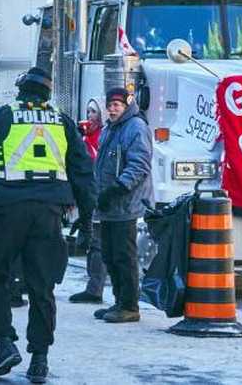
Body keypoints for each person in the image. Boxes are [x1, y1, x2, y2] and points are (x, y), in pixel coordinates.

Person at [0, 67, 95, 383]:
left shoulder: (0, 117)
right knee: (42, 286)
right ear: (48, 92)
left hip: (5, 211)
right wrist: (87, 219)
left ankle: (5, 343)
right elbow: (84, 173)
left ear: (20, 91)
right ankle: (39, 358)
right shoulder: (63, 122)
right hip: (48, 214)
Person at [93, 87, 153, 323]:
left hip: (125, 203)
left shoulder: (135, 127)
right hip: (110, 204)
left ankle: (129, 305)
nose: (112, 109)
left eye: (117, 105)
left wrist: (118, 188)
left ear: (127, 106)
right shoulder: (110, 128)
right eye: (109, 105)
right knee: (110, 254)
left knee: (123, 255)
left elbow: (139, 165)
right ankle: (119, 302)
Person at [69, 98, 107, 304]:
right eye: (88, 111)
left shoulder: (102, 137)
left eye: (94, 112)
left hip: (100, 195)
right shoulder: (87, 137)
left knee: (98, 243)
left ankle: (95, 289)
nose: (90, 116)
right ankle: (93, 287)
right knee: (95, 244)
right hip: (91, 194)